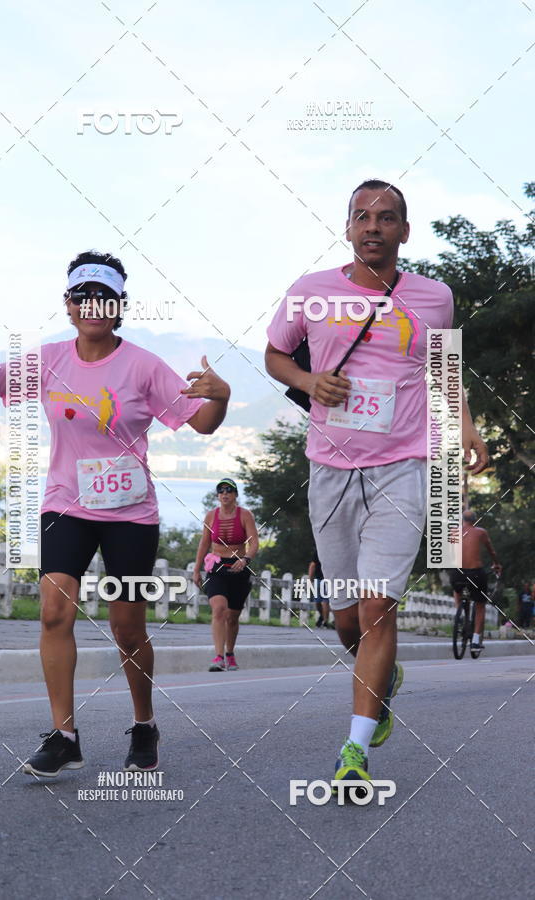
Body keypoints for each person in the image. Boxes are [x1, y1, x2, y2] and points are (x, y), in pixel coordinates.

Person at [0, 250, 230, 777]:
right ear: (70, 304)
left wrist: (221, 396)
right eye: (84, 296)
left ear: (120, 305)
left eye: (106, 297)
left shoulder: (145, 365)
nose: (94, 306)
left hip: (129, 512)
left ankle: (144, 723)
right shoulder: (47, 359)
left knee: (127, 627)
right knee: (55, 611)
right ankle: (64, 735)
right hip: (65, 502)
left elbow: (203, 423)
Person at [265, 179, 489, 789]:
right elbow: (275, 356)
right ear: (347, 227)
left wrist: (465, 427)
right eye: (362, 217)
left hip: (403, 466)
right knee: (346, 621)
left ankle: (355, 749)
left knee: (377, 605)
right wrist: (311, 384)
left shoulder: (434, 297)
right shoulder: (310, 293)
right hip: (331, 469)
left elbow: (444, 368)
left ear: (404, 232)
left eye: (386, 218)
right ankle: (381, 678)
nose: (373, 227)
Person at [193, 478, 259, 671]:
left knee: (233, 616)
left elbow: (254, 542)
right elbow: (204, 543)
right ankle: (218, 657)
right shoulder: (211, 516)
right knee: (219, 609)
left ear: (235, 494)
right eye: (221, 491)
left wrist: (246, 559)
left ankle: (230, 653)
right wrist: (196, 569)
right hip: (216, 568)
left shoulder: (245, 515)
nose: (225, 494)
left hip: (239, 568)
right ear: (218, 495)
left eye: (229, 491)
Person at [450, 509, 502, 653]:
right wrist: (496, 564)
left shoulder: (453, 532)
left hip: (457, 573)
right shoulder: (481, 532)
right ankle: (475, 641)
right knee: (480, 605)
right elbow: (492, 552)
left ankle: (459, 613)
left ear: (462, 519)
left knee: (457, 590)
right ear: (475, 520)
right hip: (475, 574)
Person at [308, 550, 331, 628]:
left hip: (319, 580)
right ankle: (324, 620)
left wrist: (310, 578)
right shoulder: (333, 552)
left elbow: (312, 565)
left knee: (318, 601)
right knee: (325, 601)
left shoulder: (318, 551)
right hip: (328, 579)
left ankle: (323, 619)